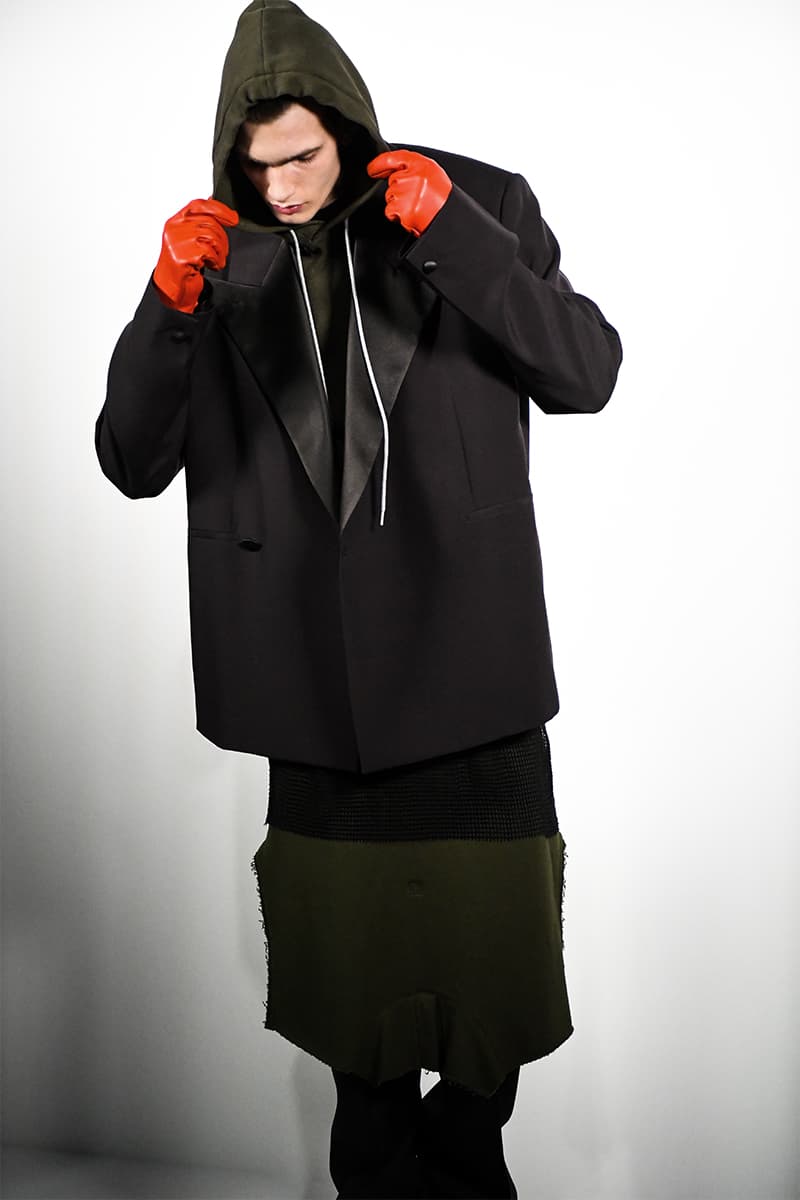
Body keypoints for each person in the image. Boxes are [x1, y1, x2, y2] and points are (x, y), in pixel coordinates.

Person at [95, 1, 622, 1196]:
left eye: (301, 156)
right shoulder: (215, 256)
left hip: (474, 676)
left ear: (347, 126)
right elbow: (130, 458)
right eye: (255, 165)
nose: (279, 187)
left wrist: (458, 239)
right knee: (360, 1062)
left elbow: (583, 372)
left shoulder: (476, 200)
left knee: (490, 1029)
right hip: (314, 697)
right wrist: (167, 306)